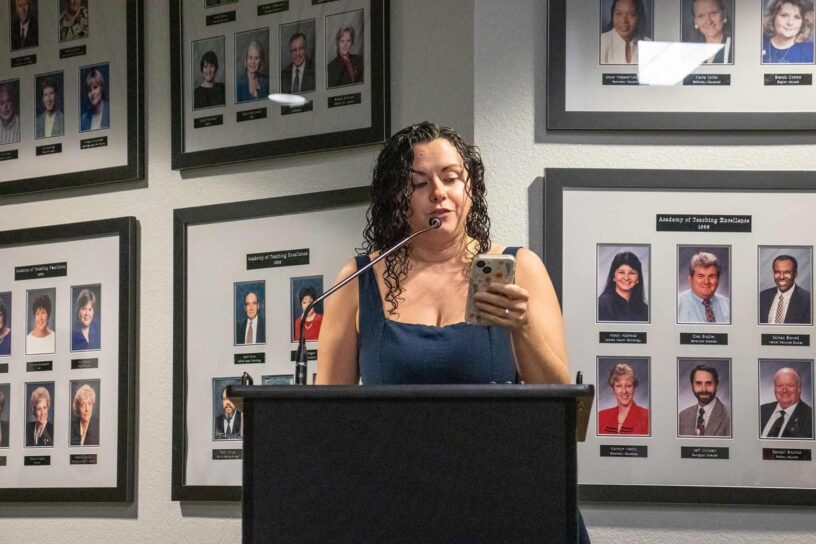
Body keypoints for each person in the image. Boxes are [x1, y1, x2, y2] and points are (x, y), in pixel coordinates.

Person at [315, 122, 589, 541]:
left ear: (471, 189)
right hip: (397, 506)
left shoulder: (520, 267)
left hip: (509, 500)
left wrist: (523, 327)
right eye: (419, 183)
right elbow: (326, 426)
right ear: (396, 197)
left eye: (451, 178)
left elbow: (562, 413)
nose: (438, 192)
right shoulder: (357, 279)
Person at [678, 364, 731, 437]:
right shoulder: (682, 416)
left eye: (709, 383)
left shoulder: (730, 416)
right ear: (692, 386)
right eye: (698, 383)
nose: (704, 389)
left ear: (717, 385)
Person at [677, 251, 730, 324]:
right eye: (701, 276)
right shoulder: (677, 304)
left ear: (718, 280)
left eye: (712, 276)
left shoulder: (728, 305)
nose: (706, 282)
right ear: (690, 279)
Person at [760, 367, 813, 438]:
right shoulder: (761, 410)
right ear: (774, 388)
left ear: (799, 388)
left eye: (790, 385)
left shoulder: (811, 418)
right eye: (779, 385)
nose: (784, 390)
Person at [597, 363, 649, 435]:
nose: (624, 391)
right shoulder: (601, 417)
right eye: (619, 386)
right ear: (613, 389)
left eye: (628, 385)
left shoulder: (647, 417)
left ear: (634, 388)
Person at [759, 255, 811, 324]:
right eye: (777, 272)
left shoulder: (808, 300)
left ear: (796, 274)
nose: (781, 277)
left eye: (787, 272)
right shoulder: (763, 296)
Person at [597, 251, 648, 322]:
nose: (626, 278)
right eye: (621, 272)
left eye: (632, 273)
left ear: (638, 279)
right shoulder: (601, 305)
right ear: (614, 276)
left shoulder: (645, 310)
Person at [600, 0, 651, 64]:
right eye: (619, 13)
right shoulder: (600, 42)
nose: (624, 20)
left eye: (631, 14)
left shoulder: (649, 45)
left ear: (639, 17)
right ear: (612, 15)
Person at [80, 67, 110, 131]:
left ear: (101, 88)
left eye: (95, 87)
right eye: (89, 90)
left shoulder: (111, 111)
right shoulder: (84, 119)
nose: (92, 93)